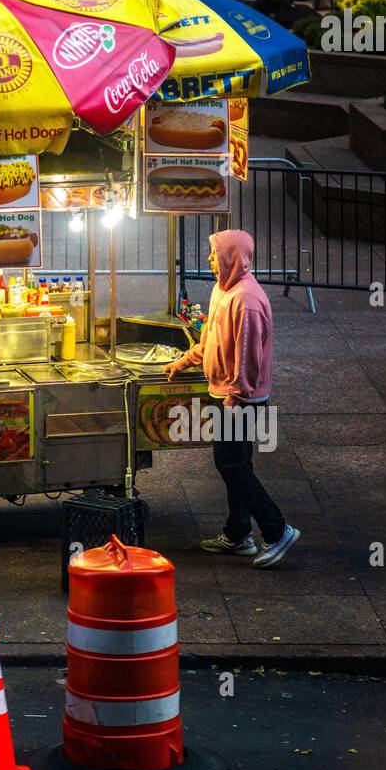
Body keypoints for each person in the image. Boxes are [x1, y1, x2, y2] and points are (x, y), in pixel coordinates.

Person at [166, 229, 300, 568]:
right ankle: (238, 534)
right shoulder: (221, 290)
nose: (210, 260)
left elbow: (247, 358)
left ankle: (277, 530)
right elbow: (212, 338)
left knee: (231, 465)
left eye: (214, 254)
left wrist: (235, 398)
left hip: (241, 400)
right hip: (226, 393)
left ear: (231, 256)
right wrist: (186, 360)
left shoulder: (247, 301)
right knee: (237, 464)